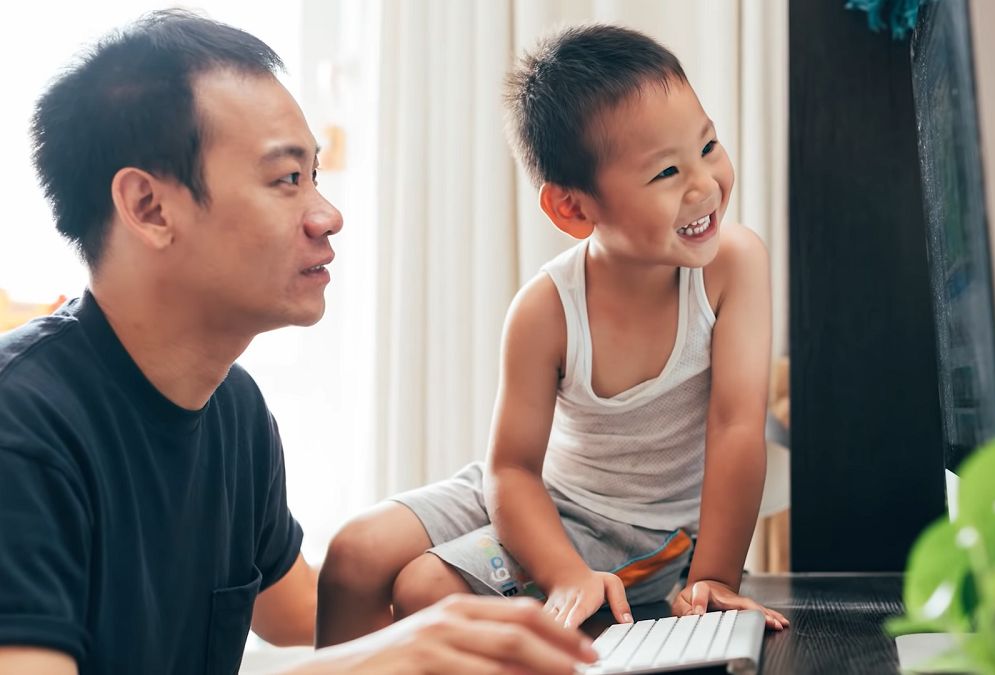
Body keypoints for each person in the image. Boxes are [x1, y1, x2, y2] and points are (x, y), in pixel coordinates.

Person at [0, 10, 595, 674]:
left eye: (316, 175)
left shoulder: (233, 408)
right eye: (287, 179)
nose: (327, 215)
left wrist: (515, 603)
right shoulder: (20, 430)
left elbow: (298, 612)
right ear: (148, 207)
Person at [316, 24, 791, 647]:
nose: (704, 184)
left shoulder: (735, 265)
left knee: (424, 588)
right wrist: (566, 576)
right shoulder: (545, 310)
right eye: (668, 171)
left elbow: (736, 428)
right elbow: (510, 469)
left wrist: (713, 580)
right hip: (537, 495)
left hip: (640, 532)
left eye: (708, 146)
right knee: (354, 553)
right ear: (573, 209)